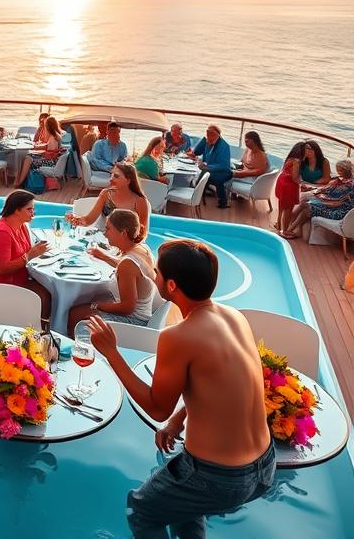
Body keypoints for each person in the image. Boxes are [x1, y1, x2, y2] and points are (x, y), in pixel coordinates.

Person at [86, 241, 275, 538]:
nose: (154, 276)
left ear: (171, 285)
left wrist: (112, 353)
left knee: (141, 509)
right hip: (264, 466)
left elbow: (156, 407)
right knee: (183, 507)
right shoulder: (234, 317)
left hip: (218, 476)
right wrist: (179, 418)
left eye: (158, 273)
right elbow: (226, 381)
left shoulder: (178, 336)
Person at [66, 209, 156, 333]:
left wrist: (97, 305)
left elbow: (127, 308)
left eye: (108, 229)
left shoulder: (127, 264)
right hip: (144, 314)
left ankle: (77, 348)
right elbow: (129, 269)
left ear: (123, 233)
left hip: (134, 322)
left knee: (75, 314)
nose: (105, 234)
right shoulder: (142, 248)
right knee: (81, 308)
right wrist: (103, 256)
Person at [0, 190, 52, 316]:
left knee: (50, 289)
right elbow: (4, 269)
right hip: (2, 284)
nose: (33, 213)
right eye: (29, 209)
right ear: (16, 210)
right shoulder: (2, 232)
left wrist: (36, 252)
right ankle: (39, 330)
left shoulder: (21, 226)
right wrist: (30, 256)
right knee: (44, 297)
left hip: (18, 277)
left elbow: (27, 252)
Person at [67, 163, 150, 239]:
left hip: (125, 243)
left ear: (128, 181)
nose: (111, 179)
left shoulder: (140, 201)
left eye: (116, 176)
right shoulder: (106, 194)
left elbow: (142, 232)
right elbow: (88, 220)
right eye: (111, 175)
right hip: (102, 238)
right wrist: (77, 220)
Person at [282, 158, 354, 240]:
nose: (338, 172)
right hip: (332, 206)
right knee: (304, 204)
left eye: (340, 170)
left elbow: (337, 201)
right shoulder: (342, 180)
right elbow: (326, 190)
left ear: (345, 171)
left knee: (308, 208)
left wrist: (319, 199)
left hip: (339, 211)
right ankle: (290, 228)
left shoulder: (350, 185)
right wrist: (311, 189)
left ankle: (289, 229)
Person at [187, 125, 233, 209]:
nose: (209, 138)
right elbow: (196, 152)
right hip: (209, 169)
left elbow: (224, 165)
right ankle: (198, 191)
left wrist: (207, 167)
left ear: (217, 136)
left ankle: (195, 193)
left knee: (211, 177)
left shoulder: (224, 146)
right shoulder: (207, 140)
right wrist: (204, 140)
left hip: (223, 172)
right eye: (208, 135)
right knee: (201, 173)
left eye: (212, 136)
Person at [13, 115, 64, 188]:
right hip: (53, 160)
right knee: (29, 157)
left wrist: (39, 153)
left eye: (46, 125)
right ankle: (22, 181)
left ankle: (20, 182)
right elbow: (49, 149)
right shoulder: (56, 135)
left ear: (49, 126)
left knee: (28, 159)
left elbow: (50, 155)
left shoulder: (53, 138)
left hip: (51, 162)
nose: (45, 127)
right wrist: (38, 149)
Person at [273, 141, 306, 236]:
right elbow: (294, 177)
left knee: (281, 206)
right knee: (288, 209)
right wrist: (303, 184)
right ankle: (285, 230)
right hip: (289, 185)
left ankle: (279, 225)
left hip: (281, 181)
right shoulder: (297, 161)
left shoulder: (290, 158)